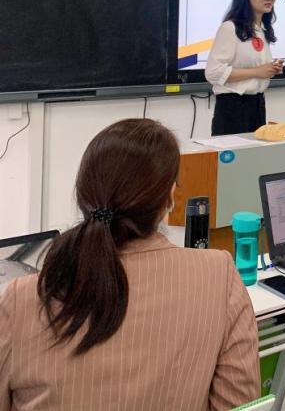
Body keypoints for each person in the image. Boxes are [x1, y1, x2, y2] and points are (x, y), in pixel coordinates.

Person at [0, 119, 260, 410]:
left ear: (84, 194)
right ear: (169, 197)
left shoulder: (23, 298)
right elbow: (239, 403)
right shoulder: (218, 276)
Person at [206, 0, 284, 135]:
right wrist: (257, 71)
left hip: (257, 104)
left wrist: (270, 69)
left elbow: (255, 68)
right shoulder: (230, 28)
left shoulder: (262, 30)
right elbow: (213, 73)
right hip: (233, 108)